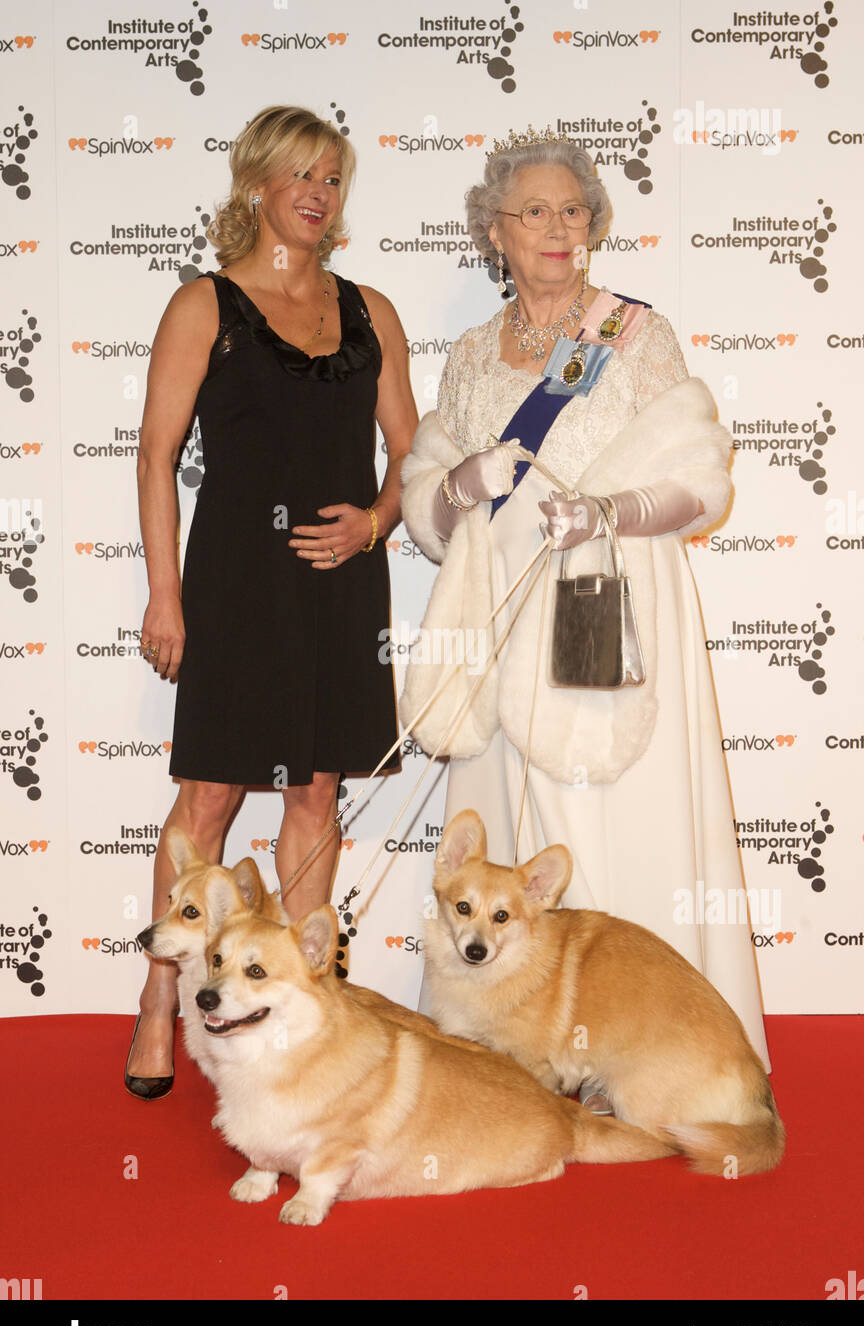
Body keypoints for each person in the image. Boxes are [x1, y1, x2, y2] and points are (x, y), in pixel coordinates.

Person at [400, 128, 769, 1107]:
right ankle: (515, 1055)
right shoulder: (475, 357)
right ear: (495, 233)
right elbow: (431, 511)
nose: (558, 228)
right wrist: (459, 484)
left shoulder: (634, 337)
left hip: (611, 605)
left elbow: (700, 482)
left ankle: (641, 1047)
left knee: (613, 817)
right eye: (535, 212)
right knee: (514, 828)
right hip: (503, 615)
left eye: (574, 210)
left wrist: (609, 513)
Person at [126, 106, 418, 1097]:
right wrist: (165, 595)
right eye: (301, 175)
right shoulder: (203, 305)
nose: (318, 194)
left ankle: (298, 1004)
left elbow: (412, 455)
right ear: (257, 185)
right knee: (208, 798)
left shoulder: (371, 309)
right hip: (238, 585)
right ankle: (162, 1002)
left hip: (343, 583)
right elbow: (158, 455)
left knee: (316, 793)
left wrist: (376, 522)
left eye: (333, 178)